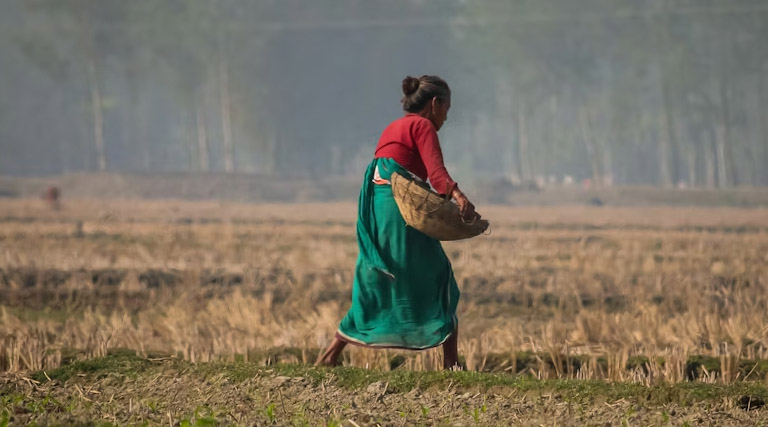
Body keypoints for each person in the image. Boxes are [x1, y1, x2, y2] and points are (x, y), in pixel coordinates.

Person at [316, 75, 478, 369]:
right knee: (440, 275)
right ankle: (451, 363)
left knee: (378, 274)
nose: (446, 117)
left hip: (378, 207)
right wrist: (459, 197)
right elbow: (437, 174)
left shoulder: (394, 126)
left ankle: (330, 354)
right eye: (447, 109)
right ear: (434, 104)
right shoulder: (423, 126)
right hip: (399, 210)